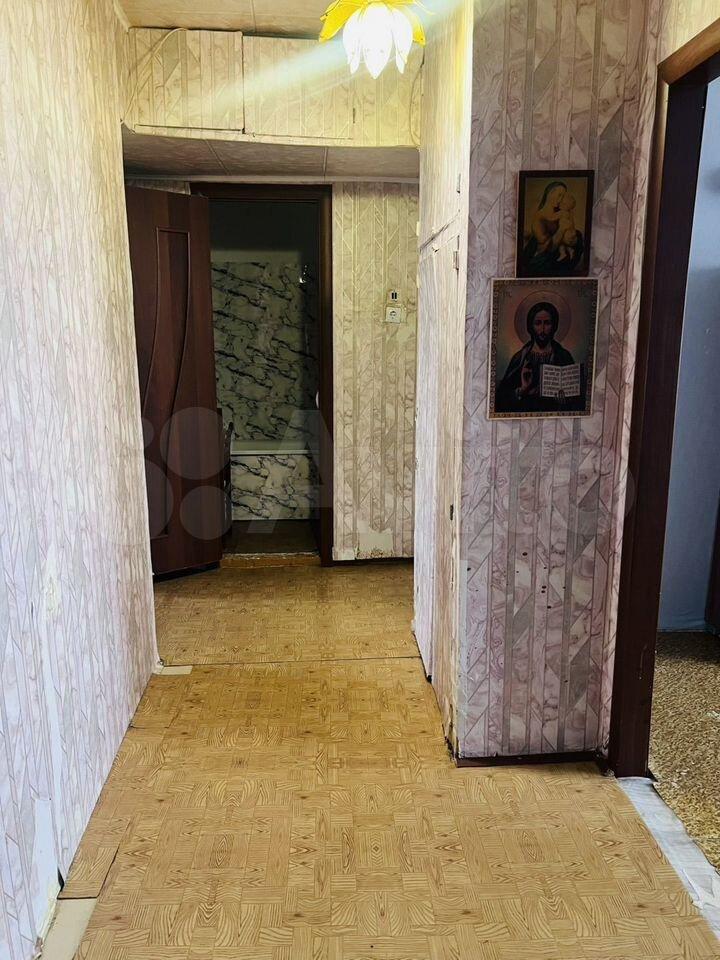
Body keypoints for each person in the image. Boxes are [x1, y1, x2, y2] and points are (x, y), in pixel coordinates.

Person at [495, 300, 583, 414]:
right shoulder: (520, 358)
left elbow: (578, 400)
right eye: (537, 323)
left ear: (554, 326)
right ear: (531, 326)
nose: (542, 329)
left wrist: (565, 400)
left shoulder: (563, 356)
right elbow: (501, 399)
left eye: (547, 323)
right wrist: (522, 390)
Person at [520, 181, 584, 276]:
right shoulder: (539, 218)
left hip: (558, 255)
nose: (561, 199)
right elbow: (546, 249)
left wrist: (572, 239)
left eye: (563, 196)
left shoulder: (561, 212)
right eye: (559, 195)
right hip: (543, 258)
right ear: (550, 193)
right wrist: (561, 230)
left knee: (578, 235)